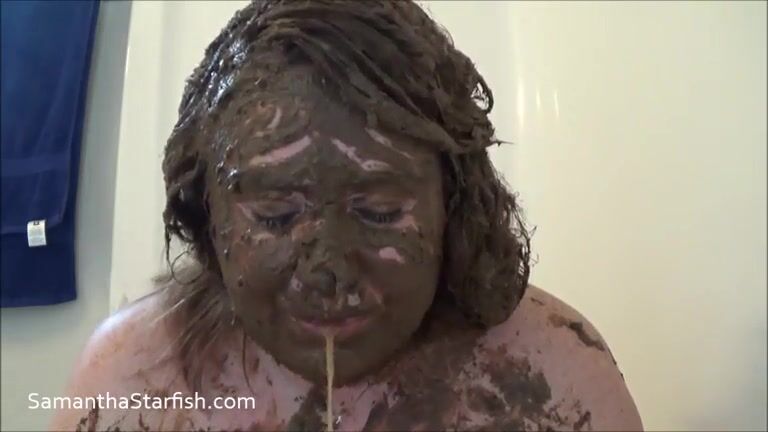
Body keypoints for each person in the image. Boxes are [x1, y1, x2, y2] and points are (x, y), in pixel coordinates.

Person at [52, 1, 642, 430]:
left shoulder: (552, 378)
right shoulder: (131, 382)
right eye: (275, 216)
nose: (327, 273)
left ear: (455, 205)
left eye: (380, 213)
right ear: (207, 214)